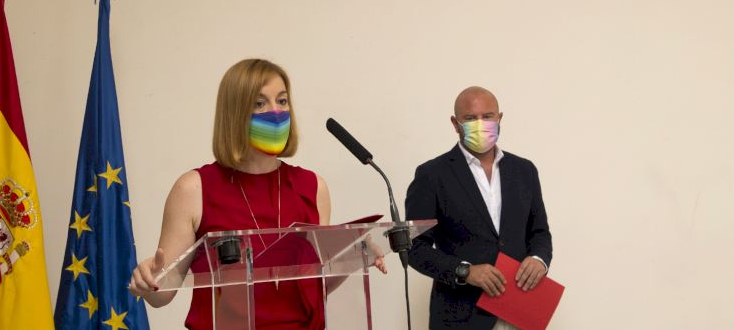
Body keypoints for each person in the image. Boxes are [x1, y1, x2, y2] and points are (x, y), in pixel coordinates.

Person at [128, 58, 384, 329]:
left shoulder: (313, 187)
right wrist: (148, 281)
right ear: (234, 113)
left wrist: (352, 258)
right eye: (259, 103)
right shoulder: (194, 188)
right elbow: (162, 294)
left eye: (282, 101)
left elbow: (310, 287)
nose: (276, 112)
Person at [404, 86, 552, 330]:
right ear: (455, 123)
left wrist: (539, 259)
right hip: (461, 317)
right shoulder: (431, 175)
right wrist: (464, 271)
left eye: (488, 116)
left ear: (499, 118)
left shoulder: (524, 171)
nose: (480, 124)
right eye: (471, 118)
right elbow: (413, 248)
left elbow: (540, 232)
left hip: (520, 310)